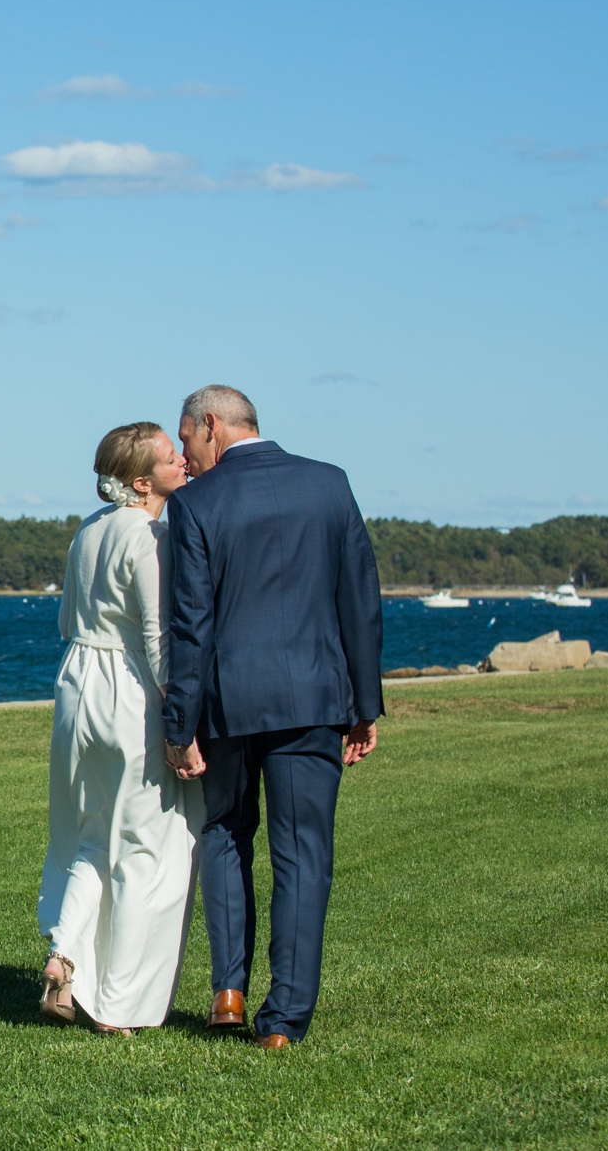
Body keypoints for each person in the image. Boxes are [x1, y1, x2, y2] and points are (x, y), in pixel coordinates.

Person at [160, 385, 383, 1050]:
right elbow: (360, 602)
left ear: (212, 425)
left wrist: (179, 723)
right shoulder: (330, 485)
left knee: (226, 835)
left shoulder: (196, 504)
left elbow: (189, 625)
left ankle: (227, 990)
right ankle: (283, 1019)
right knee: (303, 854)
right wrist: (364, 705)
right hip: (313, 697)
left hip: (229, 700)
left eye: (186, 437)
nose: (183, 454)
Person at [36, 422, 201, 1035]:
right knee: (146, 849)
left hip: (75, 687)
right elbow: (159, 640)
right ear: (141, 481)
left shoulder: (87, 530)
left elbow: (64, 619)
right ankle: (119, 1004)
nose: (182, 461)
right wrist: (179, 723)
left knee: (87, 835)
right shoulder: (149, 536)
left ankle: (65, 955)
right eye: (169, 457)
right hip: (129, 693)